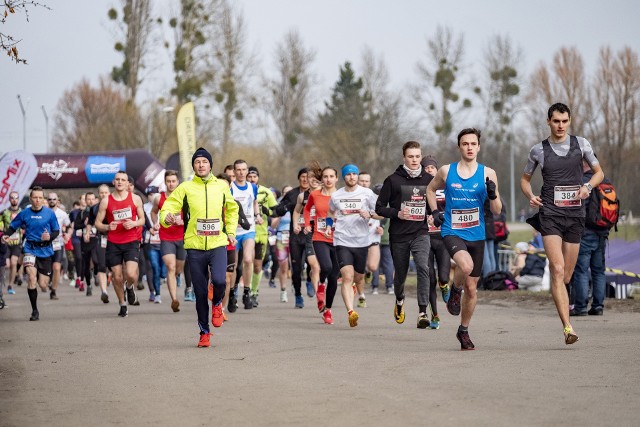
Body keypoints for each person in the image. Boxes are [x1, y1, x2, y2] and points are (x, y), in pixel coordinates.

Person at [521, 103, 603, 344]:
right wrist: (530, 195)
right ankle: (568, 327)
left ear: (569, 121)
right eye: (556, 121)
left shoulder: (582, 145)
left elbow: (598, 172)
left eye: (564, 121)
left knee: (566, 275)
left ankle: (562, 299)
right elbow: (525, 180)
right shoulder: (538, 150)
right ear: (548, 121)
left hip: (575, 216)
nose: (560, 125)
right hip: (550, 216)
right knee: (556, 269)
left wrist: (588, 186)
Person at [427, 128, 502, 350]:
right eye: (465, 144)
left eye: (473, 144)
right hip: (452, 230)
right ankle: (454, 289)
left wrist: (493, 194)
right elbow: (430, 190)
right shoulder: (446, 171)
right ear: (459, 147)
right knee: (465, 265)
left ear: (479, 147)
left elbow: (496, 210)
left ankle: (463, 331)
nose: (469, 147)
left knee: (472, 289)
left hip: (477, 234)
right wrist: (434, 212)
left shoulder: (488, 173)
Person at [160, 147, 239, 348]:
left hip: (217, 243)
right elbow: (168, 206)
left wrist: (230, 232)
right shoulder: (185, 188)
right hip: (194, 246)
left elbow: (232, 209)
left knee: (220, 281)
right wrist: (167, 218)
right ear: (193, 166)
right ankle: (204, 332)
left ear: (210, 165)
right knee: (201, 293)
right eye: (197, 162)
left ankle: (218, 303)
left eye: (204, 161)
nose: (201, 165)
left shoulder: (221, 186)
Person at [375, 140, 433, 329]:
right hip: (399, 235)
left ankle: (423, 312)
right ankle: (399, 300)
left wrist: (433, 215)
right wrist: (397, 213)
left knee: (423, 266)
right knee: (400, 274)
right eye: (411, 156)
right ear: (404, 158)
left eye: (417, 156)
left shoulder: (428, 179)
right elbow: (379, 207)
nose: (415, 160)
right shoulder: (393, 180)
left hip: (420, 232)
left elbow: (434, 205)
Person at [328, 164, 379, 327]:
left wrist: (370, 214)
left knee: (358, 277)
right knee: (347, 276)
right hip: (342, 240)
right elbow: (330, 212)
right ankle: (351, 312)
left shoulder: (367, 194)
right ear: (344, 177)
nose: (352, 177)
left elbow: (380, 211)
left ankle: (356, 289)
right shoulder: (336, 195)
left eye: (354, 174)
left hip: (362, 241)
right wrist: (330, 224)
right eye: (348, 174)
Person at [2, 187, 60, 321]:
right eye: (35, 197)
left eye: (40, 197)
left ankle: (44, 280)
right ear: (30, 199)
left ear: (43, 199)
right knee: (31, 277)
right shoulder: (24, 213)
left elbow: (56, 231)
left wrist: (49, 237)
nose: (38, 200)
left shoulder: (49, 213)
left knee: (43, 284)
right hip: (30, 248)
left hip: (45, 250)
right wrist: (6, 235)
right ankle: (34, 310)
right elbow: (13, 226)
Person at [95, 171, 146, 317]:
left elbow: (142, 219)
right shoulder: (106, 201)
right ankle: (123, 304)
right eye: (117, 179)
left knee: (130, 274)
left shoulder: (135, 199)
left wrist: (134, 223)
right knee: (117, 276)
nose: (119, 182)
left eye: (123, 180)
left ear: (127, 183)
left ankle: (129, 287)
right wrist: (106, 227)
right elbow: (97, 223)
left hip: (131, 241)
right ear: (113, 182)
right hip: (114, 243)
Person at [570, 159, 611, 316]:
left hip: (586, 232)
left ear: (584, 164)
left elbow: (577, 207)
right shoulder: (605, 180)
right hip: (603, 232)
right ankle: (598, 306)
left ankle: (580, 307)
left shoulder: (584, 181)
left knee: (581, 271)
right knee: (599, 271)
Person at [304, 166, 339, 324]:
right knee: (326, 267)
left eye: (331, 176)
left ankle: (328, 310)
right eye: (325, 176)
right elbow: (306, 209)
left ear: (336, 179)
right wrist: (307, 224)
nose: (328, 179)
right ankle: (320, 284)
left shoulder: (341, 195)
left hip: (339, 239)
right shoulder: (315, 194)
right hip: (320, 237)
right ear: (322, 179)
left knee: (334, 276)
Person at [422, 155, 450, 330]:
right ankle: (435, 315)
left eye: (432, 167)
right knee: (429, 279)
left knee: (443, 276)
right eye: (426, 167)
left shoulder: (447, 187)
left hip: (443, 237)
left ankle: (445, 284)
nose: (429, 170)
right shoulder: (418, 188)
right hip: (424, 237)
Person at [230, 159, 263, 310]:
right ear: (234, 171)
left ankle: (247, 292)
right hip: (233, 231)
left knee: (248, 260)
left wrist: (257, 215)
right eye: (238, 170)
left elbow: (254, 202)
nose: (241, 173)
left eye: (244, 170)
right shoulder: (230, 188)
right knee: (234, 266)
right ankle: (231, 294)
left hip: (249, 229)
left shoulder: (252, 187)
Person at [152, 170, 184, 312]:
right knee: (170, 267)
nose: (171, 184)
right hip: (166, 238)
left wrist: (182, 221)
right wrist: (156, 222)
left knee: (178, 269)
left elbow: (193, 215)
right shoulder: (159, 198)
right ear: (165, 182)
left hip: (183, 237)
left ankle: (177, 276)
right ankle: (174, 299)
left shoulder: (185, 197)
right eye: (168, 181)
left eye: (173, 181)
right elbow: (154, 212)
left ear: (178, 182)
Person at [246, 166, 278, 307]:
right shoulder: (243, 191)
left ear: (258, 177)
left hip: (262, 233)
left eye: (254, 176)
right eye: (249, 177)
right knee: (248, 262)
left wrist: (267, 211)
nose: (252, 179)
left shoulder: (266, 192)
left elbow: (275, 211)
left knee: (258, 266)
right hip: (247, 232)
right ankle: (244, 291)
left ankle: (254, 292)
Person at [46, 192, 70, 300]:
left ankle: (54, 291)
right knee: (46, 269)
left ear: (57, 201)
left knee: (56, 267)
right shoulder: (43, 213)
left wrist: (67, 236)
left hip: (58, 243)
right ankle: (48, 282)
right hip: (44, 245)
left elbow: (69, 226)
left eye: (54, 199)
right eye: (50, 199)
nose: (52, 201)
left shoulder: (62, 214)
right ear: (47, 201)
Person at [2, 191, 24, 294]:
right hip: (6, 243)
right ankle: (8, 278)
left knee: (14, 262)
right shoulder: (4, 212)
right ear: (9, 199)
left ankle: (10, 285)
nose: (14, 200)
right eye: (12, 198)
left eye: (16, 198)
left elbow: (25, 225)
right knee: (7, 265)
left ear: (18, 199)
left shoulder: (22, 212)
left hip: (17, 242)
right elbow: (1, 225)